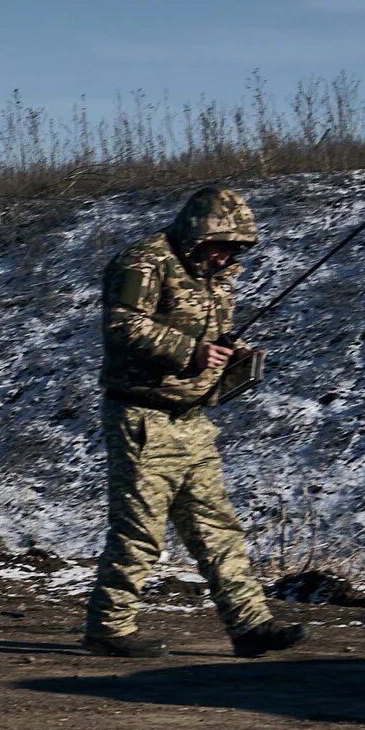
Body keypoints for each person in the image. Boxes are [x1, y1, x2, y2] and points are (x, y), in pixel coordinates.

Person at [82, 185, 308, 659]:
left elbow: (209, 333)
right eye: (221, 246)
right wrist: (192, 352)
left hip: (193, 421)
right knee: (140, 530)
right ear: (197, 235)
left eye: (235, 249)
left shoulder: (218, 278)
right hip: (143, 418)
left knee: (217, 528)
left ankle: (250, 626)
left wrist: (232, 356)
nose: (226, 257)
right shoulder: (143, 262)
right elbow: (122, 324)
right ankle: (109, 626)